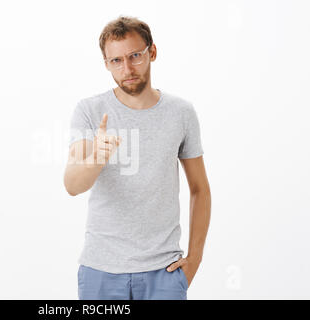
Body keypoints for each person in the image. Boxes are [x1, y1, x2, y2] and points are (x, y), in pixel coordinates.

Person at [63, 15, 211, 300]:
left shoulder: (181, 112)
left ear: (152, 52)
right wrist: (97, 157)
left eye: (135, 56)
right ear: (106, 64)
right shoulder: (90, 111)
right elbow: (72, 185)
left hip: (164, 272)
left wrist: (194, 259)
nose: (127, 68)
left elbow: (200, 189)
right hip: (100, 272)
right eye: (116, 61)